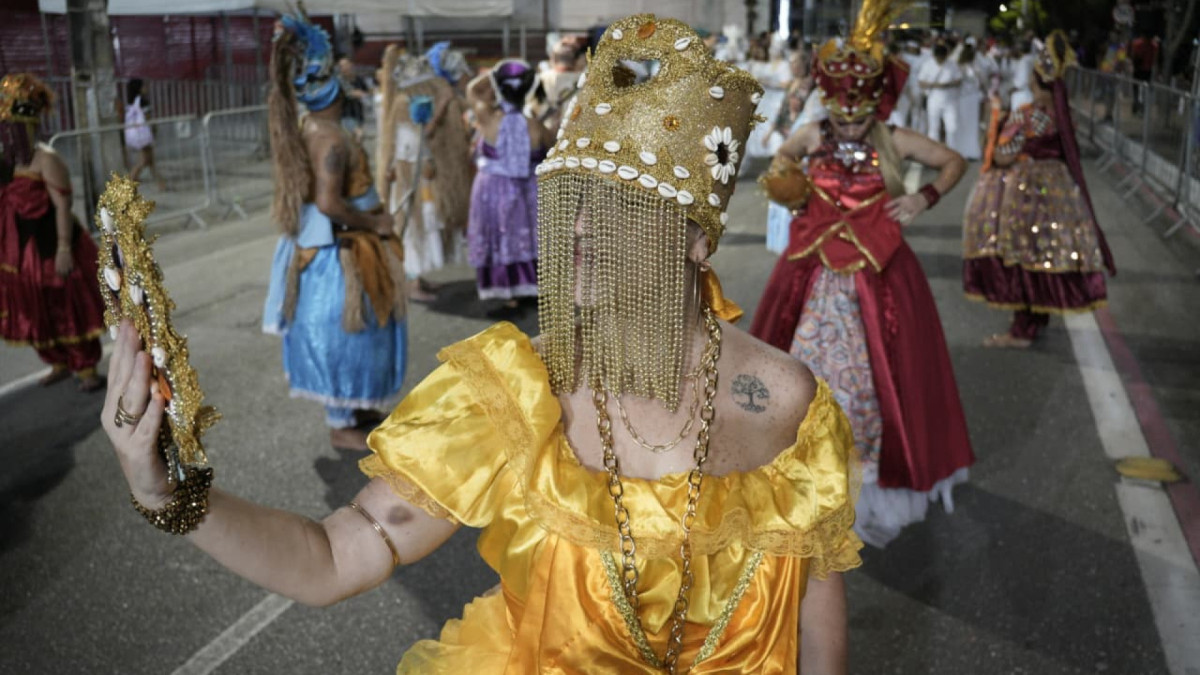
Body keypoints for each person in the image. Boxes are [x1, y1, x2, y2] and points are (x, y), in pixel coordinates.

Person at [101, 15, 860, 674]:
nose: (581, 227)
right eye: (574, 199)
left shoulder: (787, 401)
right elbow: (335, 556)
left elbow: (815, 614)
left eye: (621, 205)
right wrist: (168, 493)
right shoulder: (515, 390)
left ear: (698, 238)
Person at [751, 6, 975, 548]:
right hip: (811, 274)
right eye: (842, 116)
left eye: (858, 117)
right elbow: (781, 157)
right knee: (801, 373)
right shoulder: (812, 133)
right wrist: (787, 182)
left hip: (880, 276)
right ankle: (802, 470)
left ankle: (866, 478)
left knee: (878, 384)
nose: (849, 126)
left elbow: (953, 161)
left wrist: (923, 197)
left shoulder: (895, 138)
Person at [260, 14, 408, 451]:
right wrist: (376, 223)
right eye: (340, 77)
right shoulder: (330, 139)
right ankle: (342, 425)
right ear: (332, 88)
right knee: (346, 338)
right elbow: (328, 204)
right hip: (338, 255)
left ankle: (355, 408)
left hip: (334, 250)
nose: (347, 80)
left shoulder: (313, 127)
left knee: (360, 337)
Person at [962, 31, 1116, 348]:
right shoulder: (1062, 114)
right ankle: (1035, 321)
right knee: (1044, 255)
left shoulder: (1027, 115)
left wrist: (996, 122)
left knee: (1020, 257)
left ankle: (1021, 330)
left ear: (1035, 81)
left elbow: (1003, 156)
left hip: (1024, 190)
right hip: (1058, 191)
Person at [0, 73, 105, 392]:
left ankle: (85, 368)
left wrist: (63, 249)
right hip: (19, 251)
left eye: (14, 127)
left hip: (50, 244)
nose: (9, 133)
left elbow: (62, 205)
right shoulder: (5, 161)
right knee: (33, 306)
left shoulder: (47, 158)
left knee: (66, 301)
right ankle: (58, 361)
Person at [377, 42, 474, 303]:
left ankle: (417, 278)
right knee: (413, 229)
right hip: (413, 180)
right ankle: (410, 284)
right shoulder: (403, 103)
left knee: (425, 226)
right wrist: (442, 104)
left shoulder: (407, 100)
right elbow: (418, 137)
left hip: (420, 178)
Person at [465, 59, 551, 317]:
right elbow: (554, 151)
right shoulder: (536, 126)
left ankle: (507, 292)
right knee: (527, 237)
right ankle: (530, 288)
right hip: (527, 190)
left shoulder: (486, 116)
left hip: (492, 189)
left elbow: (472, 89)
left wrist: (494, 73)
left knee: (499, 236)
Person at [124, 78, 166, 191]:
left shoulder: (131, 103)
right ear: (139, 88)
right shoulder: (143, 102)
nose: (146, 88)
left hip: (136, 135)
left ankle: (161, 184)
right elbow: (148, 119)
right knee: (144, 161)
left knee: (150, 161)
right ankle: (129, 183)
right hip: (144, 135)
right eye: (143, 86)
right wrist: (154, 130)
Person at [918, 40, 962, 144]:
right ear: (935, 56)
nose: (941, 59)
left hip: (950, 100)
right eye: (939, 57)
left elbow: (959, 80)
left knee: (952, 128)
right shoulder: (928, 64)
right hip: (934, 99)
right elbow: (921, 82)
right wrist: (935, 85)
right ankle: (933, 150)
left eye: (943, 57)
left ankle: (951, 148)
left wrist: (947, 85)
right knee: (934, 128)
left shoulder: (952, 64)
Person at [951, 39, 984, 160]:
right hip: (963, 98)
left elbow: (981, 81)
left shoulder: (975, 66)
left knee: (972, 125)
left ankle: (972, 151)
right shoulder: (959, 67)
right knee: (962, 124)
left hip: (973, 98)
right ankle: (961, 150)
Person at [337, 56, 370, 137]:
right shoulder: (339, 81)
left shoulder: (359, 80)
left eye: (346, 65)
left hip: (359, 116)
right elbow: (349, 93)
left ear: (351, 65)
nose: (344, 68)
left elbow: (367, 93)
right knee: (358, 135)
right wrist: (356, 93)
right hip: (346, 116)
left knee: (357, 140)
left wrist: (364, 94)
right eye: (341, 66)